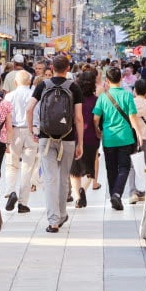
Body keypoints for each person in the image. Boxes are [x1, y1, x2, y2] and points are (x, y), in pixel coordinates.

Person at [26, 55, 84, 232]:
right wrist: (79, 142)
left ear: (52, 67)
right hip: (67, 138)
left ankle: (53, 221)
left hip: (46, 137)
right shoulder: (74, 87)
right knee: (63, 177)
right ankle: (61, 214)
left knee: (50, 178)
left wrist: (31, 130)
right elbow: (79, 118)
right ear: (67, 68)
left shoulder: (43, 85)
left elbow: (29, 109)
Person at [93, 67, 142, 211]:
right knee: (125, 167)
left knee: (111, 168)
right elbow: (133, 117)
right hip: (125, 137)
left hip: (109, 138)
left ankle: (114, 195)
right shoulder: (127, 96)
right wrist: (139, 134)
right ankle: (117, 193)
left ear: (107, 80)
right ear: (121, 78)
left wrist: (97, 131)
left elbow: (96, 118)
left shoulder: (103, 97)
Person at [4, 70, 38, 212]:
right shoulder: (34, 95)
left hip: (14, 131)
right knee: (27, 167)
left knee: (12, 164)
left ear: (15, 82)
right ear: (29, 82)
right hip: (31, 131)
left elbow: (6, 116)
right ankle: (23, 203)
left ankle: (11, 191)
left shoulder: (9, 96)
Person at [69, 71, 100, 208]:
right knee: (89, 169)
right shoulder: (96, 100)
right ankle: (83, 190)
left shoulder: (73, 99)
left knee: (74, 170)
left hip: (75, 136)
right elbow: (98, 120)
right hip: (91, 137)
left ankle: (77, 197)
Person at [127, 79, 146, 204]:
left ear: (134, 90)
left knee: (131, 166)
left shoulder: (130, 104)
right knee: (143, 165)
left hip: (131, 138)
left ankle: (133, 192)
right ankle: (143, 190)